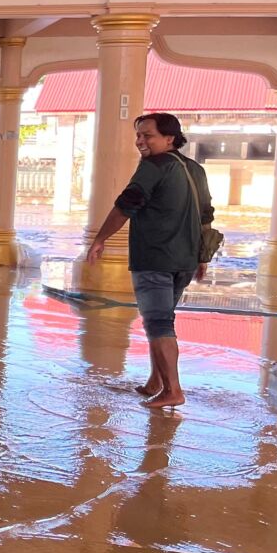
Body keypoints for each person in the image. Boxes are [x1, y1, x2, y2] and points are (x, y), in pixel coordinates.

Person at [86, 112, 213, 410]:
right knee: (161, 320)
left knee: (158, 322)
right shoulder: (195, 169)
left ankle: (172, 390)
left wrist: (100, 238)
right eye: (138, 135)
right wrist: (202, 256)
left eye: (147, 135)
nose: (140, 141)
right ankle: (156, 382)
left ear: (169, 138)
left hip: (155, 257)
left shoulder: (154, 166)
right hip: (184, 259)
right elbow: (206, 215)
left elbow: (126, 205)